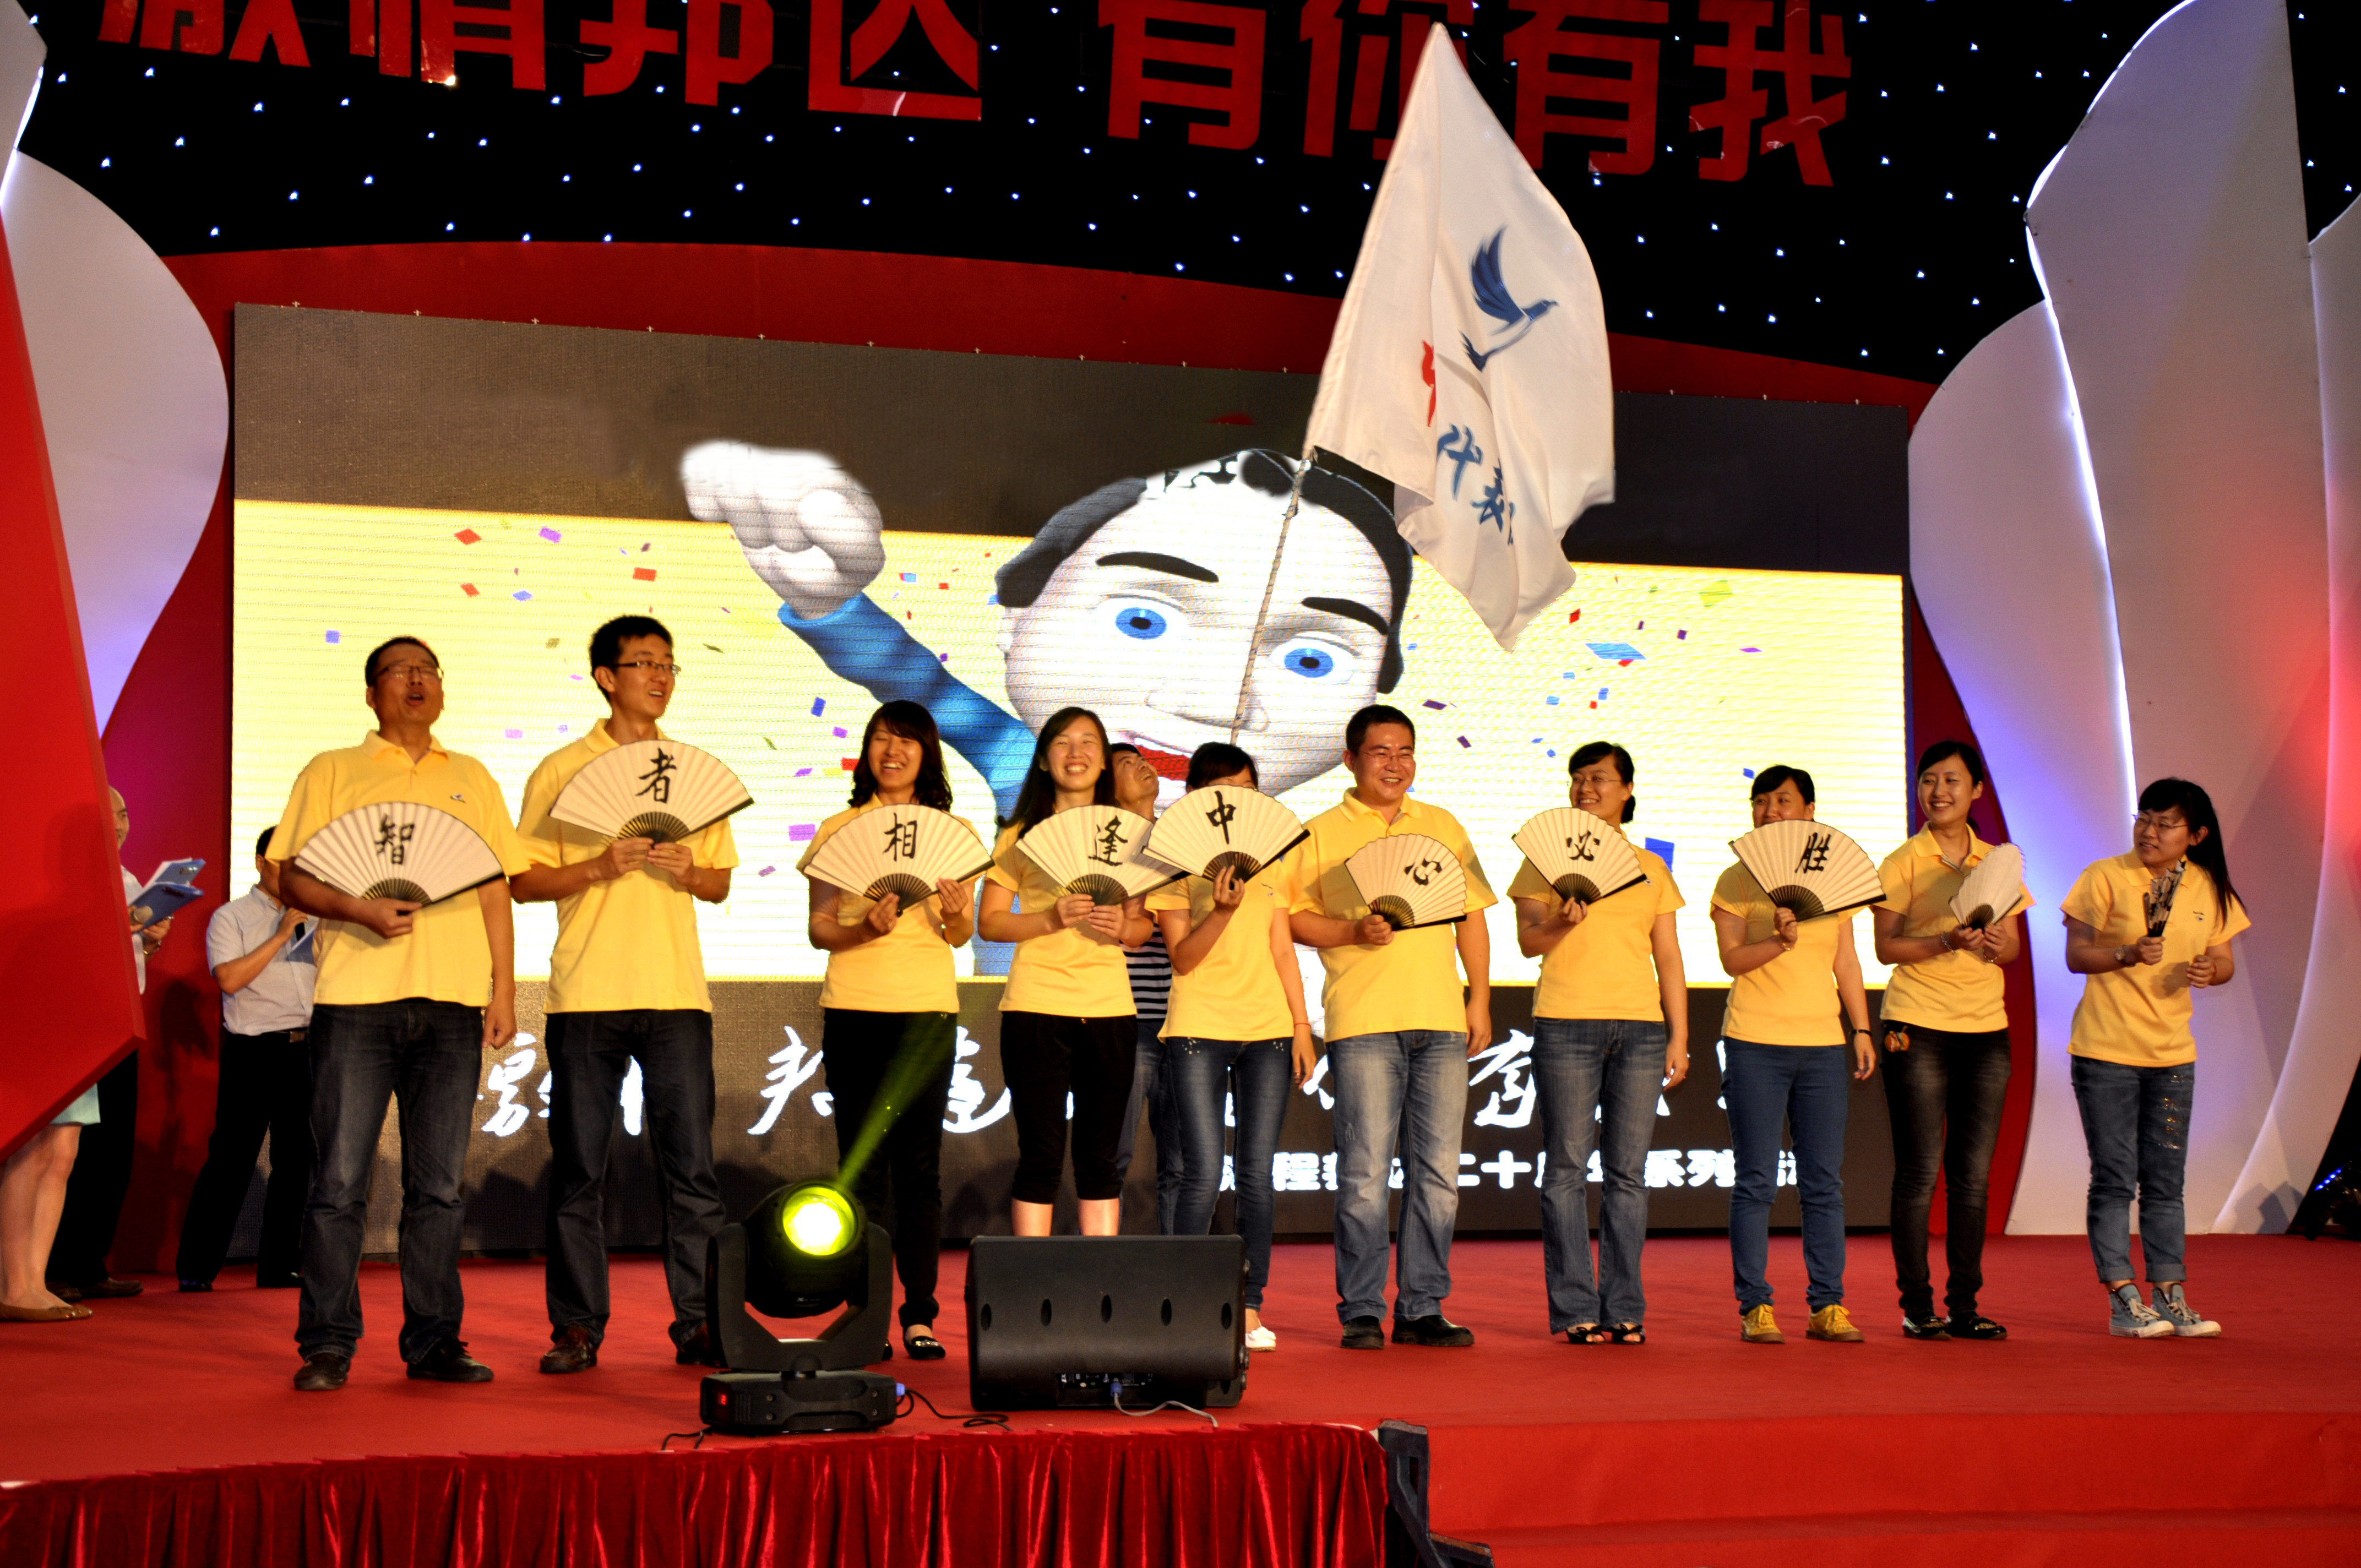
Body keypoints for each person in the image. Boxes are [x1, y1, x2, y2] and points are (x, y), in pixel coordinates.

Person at [271, 635, 530, 1392]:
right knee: (338, 1182)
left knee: (439, 1187)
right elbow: (292, 877)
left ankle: (435, 1341)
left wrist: (503, 991)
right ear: (371, 692)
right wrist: (359, 909)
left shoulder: (472, 777)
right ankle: (327, 1343)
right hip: (355, 1000)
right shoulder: (331, 770)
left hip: (452, 1004)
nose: (417, 682)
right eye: (400, 671)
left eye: (428, 671)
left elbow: (494, 888)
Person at [512, 616, 735, 1375]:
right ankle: (576, 1327)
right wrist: (598, 869)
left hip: (676, 994)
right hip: (587, 993)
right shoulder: (561, 769)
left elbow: (720, 882)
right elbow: (523, 879)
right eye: (643, 663)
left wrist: (688, 872)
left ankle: (700, 1323)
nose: (660, 676)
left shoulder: (692, 771)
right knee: (580, 1170)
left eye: (668, 664)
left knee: (692, 1171)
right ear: (607, 677)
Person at [1289, 705, 1494, 1349]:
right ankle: (1360, 1308)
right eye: (1380, 751)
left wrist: (1479, 999)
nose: (1395, 763)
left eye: (1405, 751)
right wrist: (1352, 930)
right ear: (1350, 759)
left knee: (1438, 1174)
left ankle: (1422, 1306)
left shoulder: (1442, 825)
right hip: (1364, 1020)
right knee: (1363, 1173)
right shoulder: (1320, 832)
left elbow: (1472, 916)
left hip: (1440, 1018)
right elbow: (1292, 918)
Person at [797, 699, 977, 1361]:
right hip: (854, 1010)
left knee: (920, 1170)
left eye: (906, 740)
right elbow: (820, 929)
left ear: (927, 754)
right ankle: (866, 1313)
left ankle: (920, 1315)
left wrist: (954, 913)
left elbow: (960, 934)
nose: (892, 751)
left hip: (926, 1013)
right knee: (862, 1169)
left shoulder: (953, 833)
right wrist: (862, 928)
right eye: (880, 738)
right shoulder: (839, 829)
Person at [1509, 742, 1688, 1346]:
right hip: (1565, 1022)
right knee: (1565, 1169)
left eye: (1601, 778)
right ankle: (1575, 1307)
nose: (1586, 788)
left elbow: (1668, 956)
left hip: (1640, 1029)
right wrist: (1562, 920)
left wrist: (1679, 1035)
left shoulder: (1651, 866)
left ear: (1627, 790)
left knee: (1627, 1173)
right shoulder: (1543, 859)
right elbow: (1528, 943)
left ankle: (1625, 1307)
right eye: (1578, 778)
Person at [2061, 777, 2249, 1340]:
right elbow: (2076, 956)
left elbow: (2224, 960)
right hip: (2106, 1050)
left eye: (2166, 824)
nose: (2149, 831)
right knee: (2114, 1178)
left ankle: (2170, 1293)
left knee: (2166, 1181)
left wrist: (2210, 970)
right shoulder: (2103, 876)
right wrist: (2124, 953)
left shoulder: (2207, 887)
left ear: (2196, 836)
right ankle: (2123, 1298)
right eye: (2144, 818)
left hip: (2172, 1055)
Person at [1149, 742, 1317, 1352]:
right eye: (1224, 788)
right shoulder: (1173, 861)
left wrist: (1302, 1026)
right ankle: (1185, 1302)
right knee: (1201, 1171)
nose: (1238, 799)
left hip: (1268, 1030)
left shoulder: (1269, 860)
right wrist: (1220, 910)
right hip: (1198, 1027)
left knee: (1256, 1175)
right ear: (1197, 794)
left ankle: (1249, 1304)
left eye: (1248, 788)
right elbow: (1183, 958)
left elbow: (1282, 949)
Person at [1709, 765, 1874, 1346]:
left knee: (1823, 1182)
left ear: (1809, 811)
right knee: (1756, 1180)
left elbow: (1846, 960)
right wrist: (1776, 941)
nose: (1769, 811)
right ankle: (1755, 1305)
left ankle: (1828, 1305)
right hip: (1754, 1042)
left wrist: (1860, 1027)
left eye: (1783, 800)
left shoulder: (1833, 879)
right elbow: (1732, 960)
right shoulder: (1736, 877)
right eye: (1760, 800)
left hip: (1823, 1047)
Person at [1870, 740, 2027, 1342]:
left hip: (1986, 1032)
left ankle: (1965, 1306)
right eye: (1928, 780)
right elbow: (1886, 948)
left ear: (1976, 790)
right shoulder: (1903, 861)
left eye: (1952, 780)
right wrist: (1946, 942)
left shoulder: (1999, 861)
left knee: (1972, 1178)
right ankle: (1917, 1305)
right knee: (1918, 1174)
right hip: (1917, 1026)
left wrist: (1994, 945)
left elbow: (2011, 949)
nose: (1938, 791)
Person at [976, 707, 1152, 1237]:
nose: (1075, 753)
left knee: (1100, 1159)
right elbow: (990, 922)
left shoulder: (1131, 834)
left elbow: (1142, 927)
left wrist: (1123, 925)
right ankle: (1032, 1281)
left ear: (1103, 761)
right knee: (1041, 1155)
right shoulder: (1020, 831)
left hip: (1109, 1010)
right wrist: (1050, 919)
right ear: (1043, 759)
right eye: (1062, 742)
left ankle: (1104, 1278)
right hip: (1036, 1006)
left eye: (1088, 742)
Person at [175, 827, 318, 1293]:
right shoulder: (231, 917)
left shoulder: (317, 919)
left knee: (296, 1162)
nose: (293, 873)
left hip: (307, 1050)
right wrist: (281, 936)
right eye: (284, 863)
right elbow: (230, 979)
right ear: (260, 863)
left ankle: (279, 1266)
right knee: (232, 1159)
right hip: (254, 1050)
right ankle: (197, 1268)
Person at [47, 785, 172, 1302]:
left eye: (124, 814)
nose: (119, 824)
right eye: (110, 814)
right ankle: (50, 1267)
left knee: (113, 1151)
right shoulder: (70, 882)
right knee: (69, 1151)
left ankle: (89, 1263)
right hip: (81, 1028)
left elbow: (131, 953)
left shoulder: (128, 880)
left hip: (124, 1024)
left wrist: (152, 939)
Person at [1108, 741, 1180, 1233]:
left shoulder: (1181, 839)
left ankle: (1178, 1261)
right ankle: (1100, 1257)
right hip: (1124, 1018)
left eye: (1143, 760)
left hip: (1185, 1019)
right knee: (1113, 1154)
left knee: (1181, 1161)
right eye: (1126, 764)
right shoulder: (1100, 844)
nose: (1142, 767)